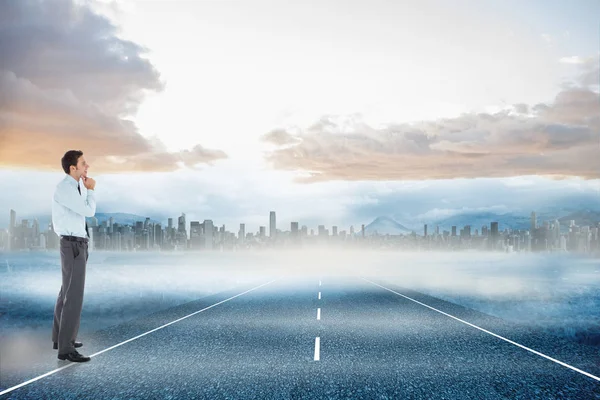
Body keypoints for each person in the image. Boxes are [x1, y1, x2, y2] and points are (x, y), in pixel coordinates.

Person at [51, 150, 96, 362]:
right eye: (83, 163)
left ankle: (60, 338)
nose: (87, 167)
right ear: (73, 168)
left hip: (75, 244)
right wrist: (91, 190)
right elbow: (88, 211)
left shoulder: (73, 187)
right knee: (73, 297)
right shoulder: (66, 188)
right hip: (73, 245)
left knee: (66, 292)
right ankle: (66, 350)